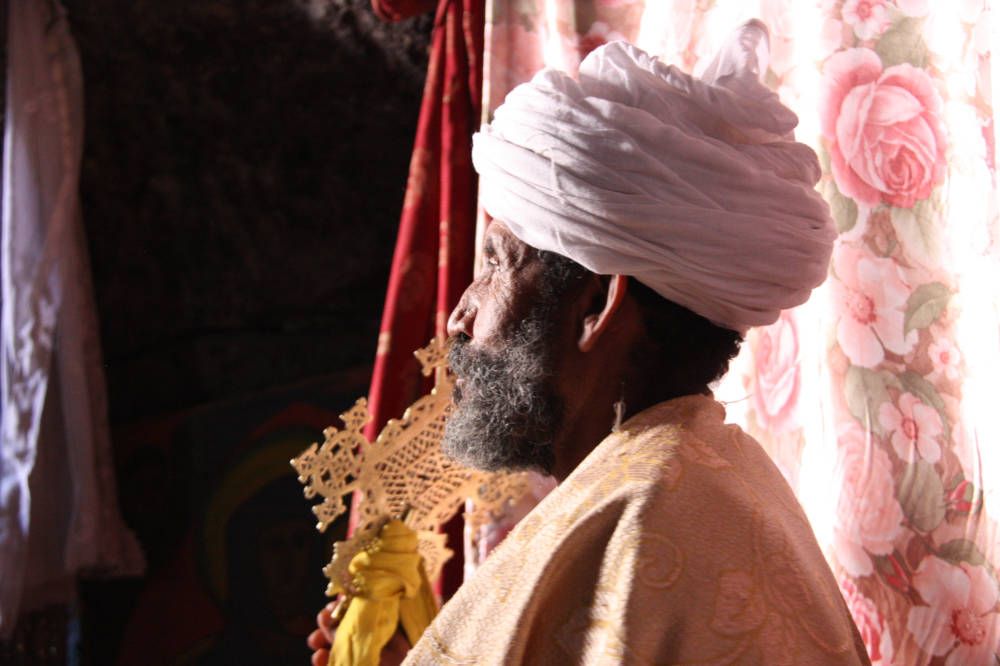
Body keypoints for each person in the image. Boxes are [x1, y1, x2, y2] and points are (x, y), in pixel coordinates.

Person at [311, 21, 871, 665]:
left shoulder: (640, 521)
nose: (459, 317)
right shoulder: (693, 481)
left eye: (495, 265)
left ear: (596, 307)